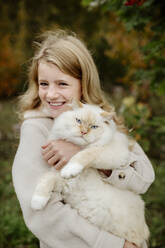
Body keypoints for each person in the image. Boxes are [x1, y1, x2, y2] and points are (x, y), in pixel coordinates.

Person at [12, 29, 155, 248]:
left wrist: (86, 156)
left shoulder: (101, 119)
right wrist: (115, 244)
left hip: (128, 233)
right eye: (43, 84)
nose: (50, 94)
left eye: (62, 84)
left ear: (83, 83)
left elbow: (145, 177)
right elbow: (42, 216)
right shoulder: (37, 128)